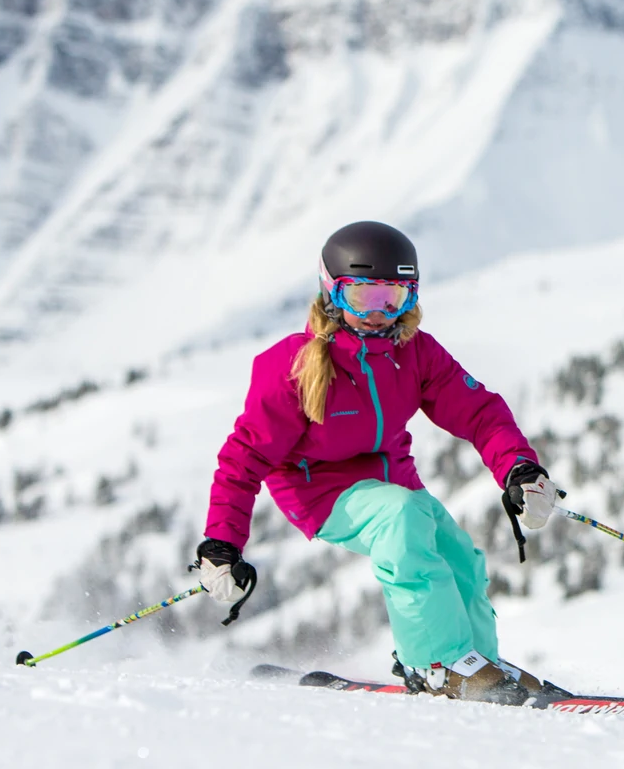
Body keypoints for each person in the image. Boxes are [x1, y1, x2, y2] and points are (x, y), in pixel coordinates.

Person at [193, 220, 562, 704]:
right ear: (332, 294)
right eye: (363, 297)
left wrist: (520, 469)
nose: (380, 313)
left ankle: (476, 661)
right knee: (401, 517)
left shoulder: (413, 353)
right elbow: (243, 458)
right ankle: (433, 661)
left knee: (459, 557)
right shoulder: (294, 365)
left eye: (395, 297)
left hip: (394, 486)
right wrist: (221, 542)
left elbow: (480, 412)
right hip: (319, 492)